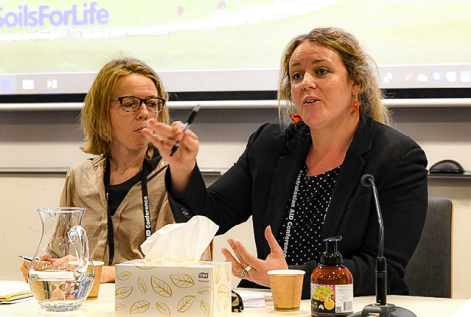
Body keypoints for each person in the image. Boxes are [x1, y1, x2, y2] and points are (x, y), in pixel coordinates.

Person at [141, 27, 428, 299]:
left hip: (348, 306)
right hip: (270, 302)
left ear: (356, 83)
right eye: (297, 75)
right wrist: (182, 166)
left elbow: (381, 269)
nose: (306, 83)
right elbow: (208, 218)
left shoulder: (396, 157)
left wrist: (287, 277)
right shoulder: (270, 144)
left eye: (321, 71)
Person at [21, 57, 175, 283]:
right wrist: (45, 267)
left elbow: (182, 267)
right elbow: (61, 254)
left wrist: (104, 273)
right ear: (102, 112)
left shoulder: (173, 177)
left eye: (152, 103)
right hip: (88, 306)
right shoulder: (80, 176)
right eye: (130, 103)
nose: (144, 113)